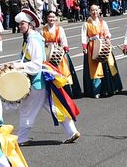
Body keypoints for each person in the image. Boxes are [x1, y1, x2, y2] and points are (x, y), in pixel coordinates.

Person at [13, 11, 80, 146]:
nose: (20, 26)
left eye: (22, 23)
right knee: (53, 107)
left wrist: (19, 66)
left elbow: (36, 64)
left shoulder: (33, 39)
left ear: (30, 25)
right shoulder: (31, 37)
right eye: (19, 24)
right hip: (39, 80)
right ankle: (72, 131)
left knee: (27, 109)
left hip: (36, 81)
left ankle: (21, 138)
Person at [82, 6, 122, 98]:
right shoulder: (86, 24)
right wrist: (84, 47)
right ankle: (96, 90)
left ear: (99, 11)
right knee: (95, 69)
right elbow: (84, 37)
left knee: (107, 67)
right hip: (92, 46)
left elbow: (107, 32)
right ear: (89, 11)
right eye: (92, 10)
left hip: (103, 45)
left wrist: (107, 38)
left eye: (96, 10)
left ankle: (108, 89)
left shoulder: (103, 22)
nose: (94, 12)